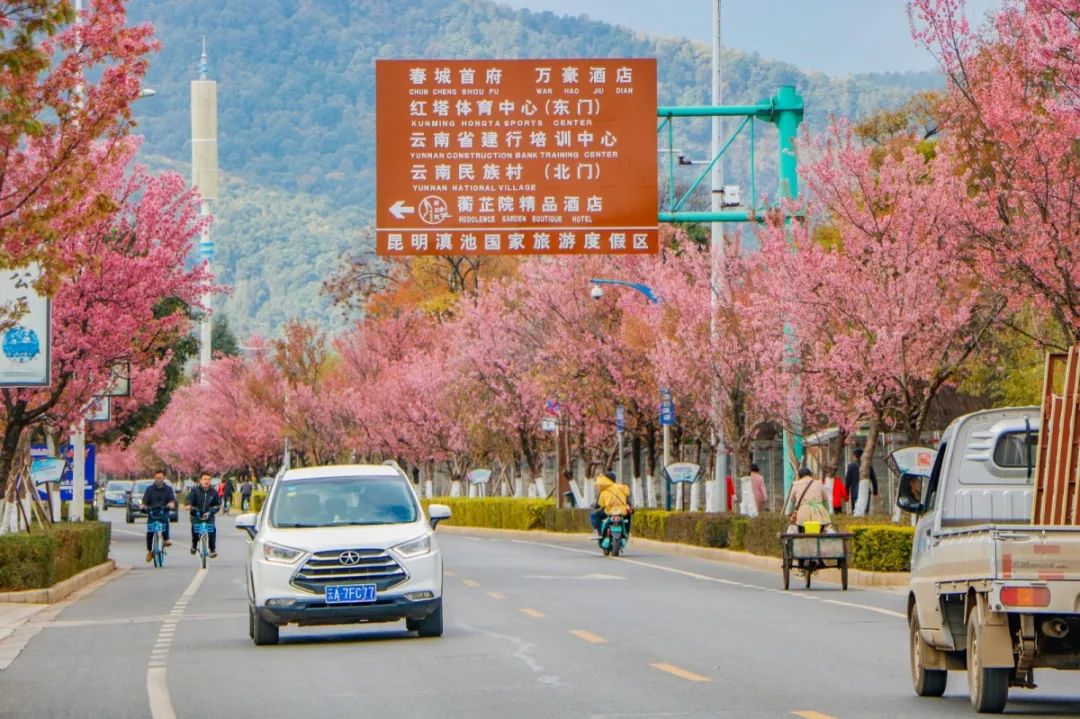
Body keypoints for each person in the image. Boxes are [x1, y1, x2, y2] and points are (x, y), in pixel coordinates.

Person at [142, 470, 176, 562]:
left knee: (165, 521)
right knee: (150, 531)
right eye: (156, 478)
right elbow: (144, 501)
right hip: (152, 511)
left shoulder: (168, 489)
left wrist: (170, 504)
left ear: (164, 478)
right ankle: (150, 551)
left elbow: (172, 500)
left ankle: (166, 539)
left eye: (160, 478)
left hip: (163, 510)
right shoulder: (149, 489)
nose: (158, 480)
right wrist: (143, 506)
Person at [187, 472, 222, 558]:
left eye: (208, 479)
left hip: (209, 515)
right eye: (204, 479)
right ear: (200, 480)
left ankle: (212, 549)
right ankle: (194, 545)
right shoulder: (195, 491)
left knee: (212, 530)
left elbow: (217, 505)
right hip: (196, 514)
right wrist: (189, 506)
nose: (206, 481)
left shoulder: (213, 492)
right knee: (195, 530)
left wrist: (211, 511)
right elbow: (188, 501)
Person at [591, 472, 631, 537]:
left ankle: (600, 532)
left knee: (594, 516)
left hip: (609, 511)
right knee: (628, 517)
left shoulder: (604, 490)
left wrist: (594, 506)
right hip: (622, 511)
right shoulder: (622, 487)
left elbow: (600, 504)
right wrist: (630, 507)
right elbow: (626, 500)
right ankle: (627, 532)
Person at [845, 447, 878, 515]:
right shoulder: (868, 466)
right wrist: (875, 491)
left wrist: (847, 493)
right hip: (865, 492)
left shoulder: (851, 466)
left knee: (856, 511)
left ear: (854, 456)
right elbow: (874, 479)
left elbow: (847, 481)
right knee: (865, 511)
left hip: (854, 493)